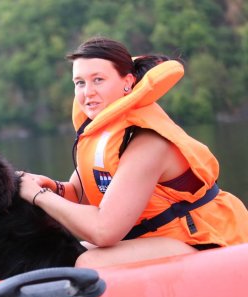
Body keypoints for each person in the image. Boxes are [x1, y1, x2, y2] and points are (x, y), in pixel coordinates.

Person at [18, 36, 248, 268]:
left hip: (206, 240)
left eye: (98, 80)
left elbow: (103, 230)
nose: (88, 92)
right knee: (63, 254)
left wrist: (39, 197)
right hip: (156, 236)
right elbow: (80, 192)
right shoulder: (101, 133)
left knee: (90, 263)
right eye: (80, 83)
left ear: (127, 82)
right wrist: (52, 188)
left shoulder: (148, 142)